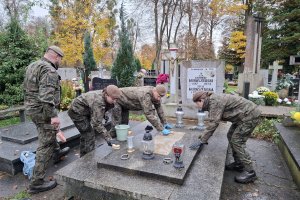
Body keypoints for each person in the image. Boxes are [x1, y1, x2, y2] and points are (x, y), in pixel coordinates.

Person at [24, 46, 70, 194]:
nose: (60, 62)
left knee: (47, 134)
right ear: (56, 57)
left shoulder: (33, 65)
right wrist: (53, 116)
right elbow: (46, 97)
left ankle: (57, 153)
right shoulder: (49, 70)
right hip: (43, 111)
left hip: (32, 108)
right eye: (60, 59)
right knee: (46, 143)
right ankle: (37, 182)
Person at [189, 91, 261, 184]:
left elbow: (213, 123)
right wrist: (202, 137)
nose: (197, 106)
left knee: (237, 141)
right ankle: (239, 163)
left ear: (202, 100)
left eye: (197, 103)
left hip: (250, 116)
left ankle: (250, 172)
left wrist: (202, 140)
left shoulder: (214, 101)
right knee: (230, 135)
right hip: (242, 117)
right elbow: (213, 121)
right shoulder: (211, 101)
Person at [67, 85, 121, 157]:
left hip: (85, 110)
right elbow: (96, 123)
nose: (115, 101)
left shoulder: (104, 96)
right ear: (107, 95)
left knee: (85, 134)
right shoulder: (99, 101)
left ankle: (83, 156)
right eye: (113, 99)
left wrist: (104, 114)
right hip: (76, 112)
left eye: (116, 99)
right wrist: (108, 138)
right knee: (89, 134)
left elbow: (102, 108)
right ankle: (89, 159)